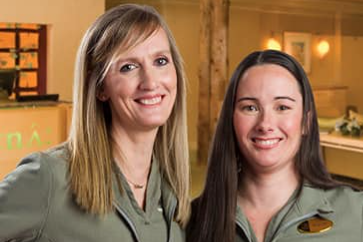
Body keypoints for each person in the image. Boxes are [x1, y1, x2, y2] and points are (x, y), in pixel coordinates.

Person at [0, 4, 190, 242]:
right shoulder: (49, 179)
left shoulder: (171, 189)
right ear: (100, 87)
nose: (150, 82)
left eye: (161, 61)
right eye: (128, 67)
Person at [187, 50, 363, 242]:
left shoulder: (356, 211)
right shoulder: (192, 219)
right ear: (231, 120)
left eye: (282, 107)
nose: (265, 124)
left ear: (306, 121)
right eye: (250, 108)